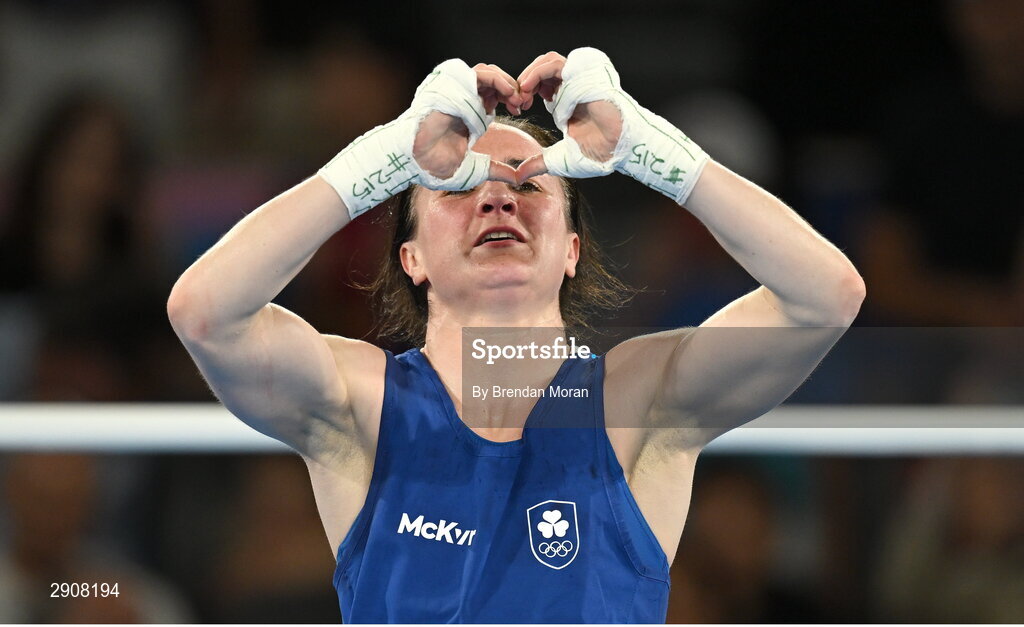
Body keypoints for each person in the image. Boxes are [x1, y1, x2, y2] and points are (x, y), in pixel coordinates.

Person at [168, 48, 864, 622]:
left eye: (529, 186)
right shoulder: (364, 402)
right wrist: (384, 156)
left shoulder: (634, 399)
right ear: (411, 258)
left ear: (572, 249)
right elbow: (206, 311)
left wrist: (649, 150)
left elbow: (825, 297)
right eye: (458, 185)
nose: (498, 197)